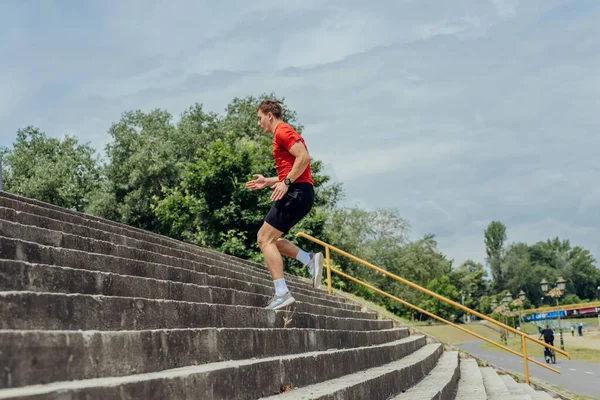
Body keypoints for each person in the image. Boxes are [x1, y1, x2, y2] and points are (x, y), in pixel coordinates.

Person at [246, 99, 324, 310]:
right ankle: (308, 259)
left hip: (297, 191)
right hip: (301, 192)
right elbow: (290, 168)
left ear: (269, 114)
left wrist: (286, 183)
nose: (258, 123)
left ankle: (282, 293)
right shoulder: (280, 134)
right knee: (273, 240)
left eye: (260, 118)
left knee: (263, 239)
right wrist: (269, 181)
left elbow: (304, 158)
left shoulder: (282, 131)